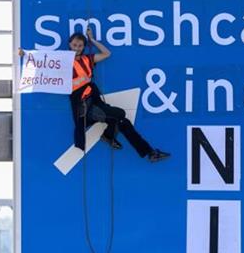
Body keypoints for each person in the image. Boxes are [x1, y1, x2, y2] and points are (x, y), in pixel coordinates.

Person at [67, 30, 170, 162]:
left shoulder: (87, 59)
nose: (77, 48)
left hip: (96, 104)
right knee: (120, 114)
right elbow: (61, 83)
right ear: (70, 44)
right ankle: (108, 136)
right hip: (85, 108)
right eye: (74, 45)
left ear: (84, 46)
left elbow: (107, 53)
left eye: (80, 45)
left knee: (123, 122)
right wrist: (81, 81)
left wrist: (92, 40)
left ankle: (149, 152)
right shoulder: (63, 61)